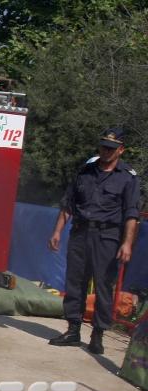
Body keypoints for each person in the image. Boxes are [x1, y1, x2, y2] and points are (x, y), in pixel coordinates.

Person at [48, 127, 141, 354]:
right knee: (75, 283)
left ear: (121, 150)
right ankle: (73, 330)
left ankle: (97, 335)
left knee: (103, 286)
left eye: (111, 148)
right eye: (103, 147)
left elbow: (131, 213)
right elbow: (69, 204)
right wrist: (57, 231)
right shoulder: (86, 171)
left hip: (107, 237)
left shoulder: (127, 177)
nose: (106, 151)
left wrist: (127, 243)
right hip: (80, 233)